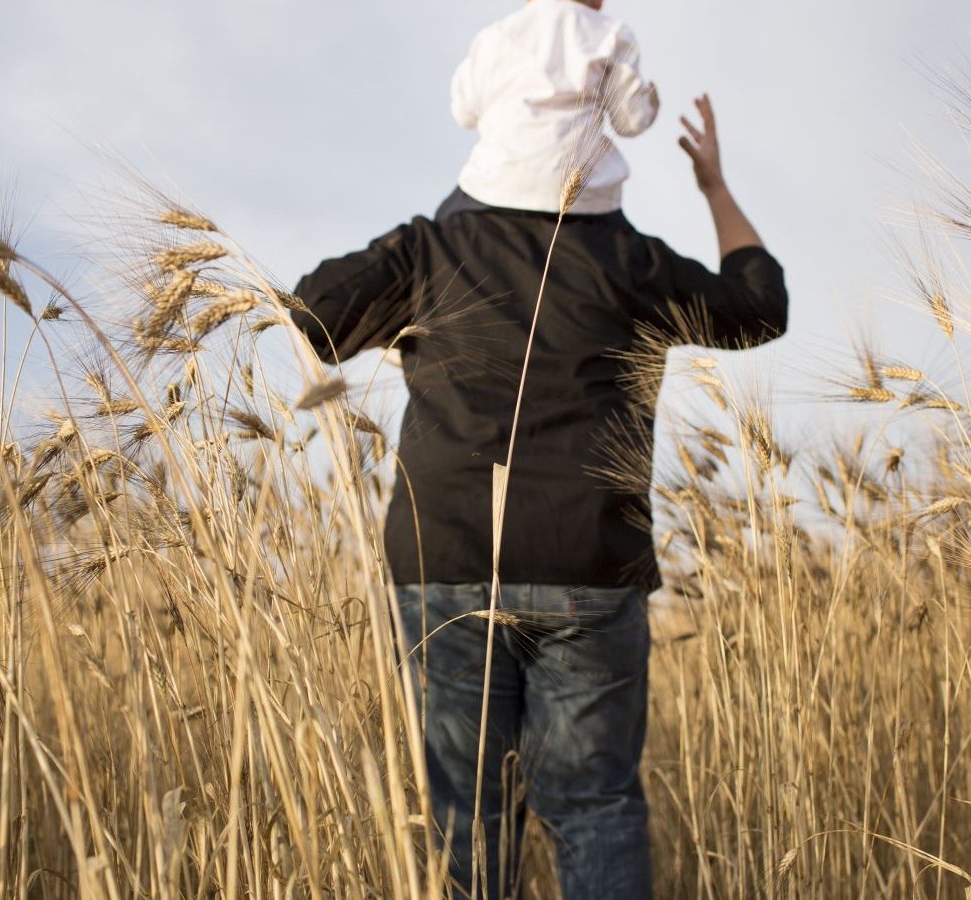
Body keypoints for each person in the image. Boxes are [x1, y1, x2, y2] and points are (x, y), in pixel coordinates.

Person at [292, 95, 787, 899]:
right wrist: (714, 189)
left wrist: (447, 223)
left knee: (465, 820)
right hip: (588, 562)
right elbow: (760, 308)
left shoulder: (434, 247)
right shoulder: (628, 259)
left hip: (447, 560)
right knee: (593, 809)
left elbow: (313, 314)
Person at [448, 0, 659, 216]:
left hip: (491, 190)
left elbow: (464, 113)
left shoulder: (496, 35)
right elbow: (631, 120)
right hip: (584, 206)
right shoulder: (612, 33)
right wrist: (650, 99)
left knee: (439, 231)